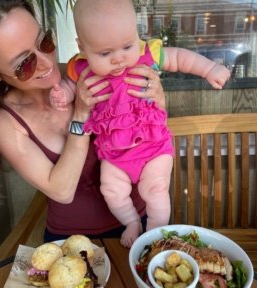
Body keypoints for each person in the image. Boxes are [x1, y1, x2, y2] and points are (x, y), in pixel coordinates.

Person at [0, 0, 165, 242]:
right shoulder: (3, 121)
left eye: (45, 41)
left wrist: (157, 98)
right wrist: (81, 116)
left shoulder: (85, 70)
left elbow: (151, 132)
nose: (47, 62)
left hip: (141, 218)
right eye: (24, 63)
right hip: (73, 242)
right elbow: (61, 190)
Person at [49, 0, 231, 247]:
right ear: (82, 47)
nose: (119, 59)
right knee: (111, 190)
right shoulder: (81, 69)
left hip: (153, 148)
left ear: (137, 34)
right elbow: (72, 87)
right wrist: (63, 93)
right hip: (114, 155)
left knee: (155, 192)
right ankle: (132, 222)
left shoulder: (147, 55)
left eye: (127, 45)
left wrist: (209, 68)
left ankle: (155, 234)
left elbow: (179, 58)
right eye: (105, 53)